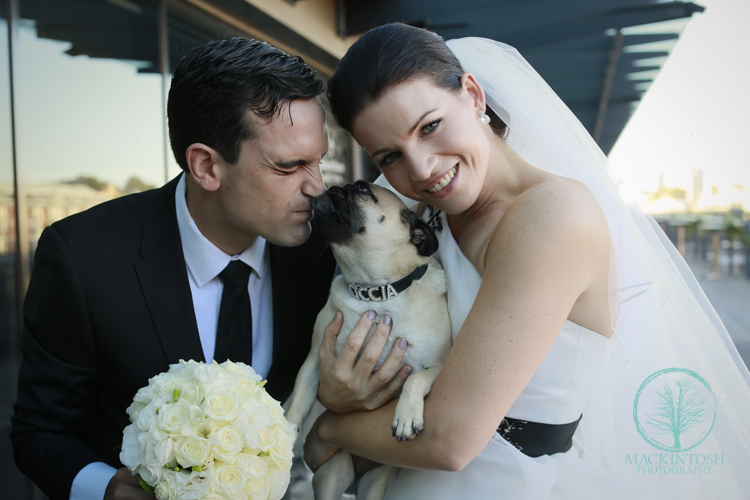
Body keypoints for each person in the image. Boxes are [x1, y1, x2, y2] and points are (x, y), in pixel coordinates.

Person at [305, 23, 750, 498]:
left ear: (473, 95)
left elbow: (451, 441)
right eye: (390, 156)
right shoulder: (419, 209)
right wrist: (335, 389)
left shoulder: (554, 216)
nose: (421, 169)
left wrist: (328, 429)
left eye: (430, 126)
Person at [9, 37, 407, 500]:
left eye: (318, 160)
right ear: (206, 166)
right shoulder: (83, 257)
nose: (317, 188)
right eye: (289, 166)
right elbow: (38, 433)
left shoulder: (330, 252)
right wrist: (107, 490)